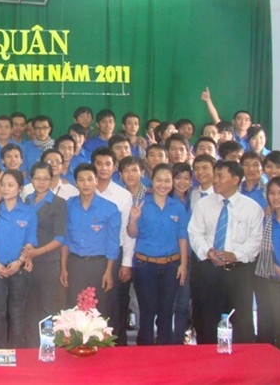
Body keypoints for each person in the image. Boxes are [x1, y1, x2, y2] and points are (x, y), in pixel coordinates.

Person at [188, 160, 263, 344]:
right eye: (215, 175)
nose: (215, 180)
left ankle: (241, 359)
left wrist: (236, 255)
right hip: (209, 270)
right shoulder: (203, 204)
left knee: (241, 320)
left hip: (239, 272)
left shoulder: (251, 207)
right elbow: (195, 232)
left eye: (220, 176)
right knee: (207, 319)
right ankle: (207, 357)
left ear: (236, 179)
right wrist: (208, 251)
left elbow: (255, 241)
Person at [128, 164, 189, 345]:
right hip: (145, 265)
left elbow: (182, 236)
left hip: (171, 266)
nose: (163, 185)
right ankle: (144, 353)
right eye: (159, 180)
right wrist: (134, 219)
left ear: (172, 183)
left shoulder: (178, 206)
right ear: (151, 181)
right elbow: (132, 233)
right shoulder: (142, 204)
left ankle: (165, 352)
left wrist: (183, 265)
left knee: (166, 311)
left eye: (167, 181)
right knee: (147, 312)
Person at [60, 163, 120, 318]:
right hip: (75, 264)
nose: (85, 184)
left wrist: (108, 271)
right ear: (76, 183)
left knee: (99, 310)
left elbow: (113, 243)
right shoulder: (68, 205)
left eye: (89, 179)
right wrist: (63, 268)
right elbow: (65, 239)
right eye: (81, 180)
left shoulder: (110, 208)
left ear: (96, 181)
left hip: (99, 265)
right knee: (73, 309)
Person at [0, 169, 37, 348]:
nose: (5, 189)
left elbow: (30, 241)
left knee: (17, 313)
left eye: (10, 185)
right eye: (3, 185)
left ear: (20, 188)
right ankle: (0, 349)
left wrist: (19, 261)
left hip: (19, 270)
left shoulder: (28, 211)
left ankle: (17, 350)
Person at [92, 147, 134, 345]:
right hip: (89, 257)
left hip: (114, 256)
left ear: (114, 167)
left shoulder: (123, 195)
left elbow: (127, 232)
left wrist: (126, 262)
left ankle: (116, 348)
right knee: (90, 304)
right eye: (99, 163)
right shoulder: (83, 189)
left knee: (114, 306)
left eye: (107, 164)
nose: (103, 168)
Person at [24, 162, 66, 347]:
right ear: (31, 179)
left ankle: (48, 347)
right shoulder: (26, 200)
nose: (41, 182)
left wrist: (35, 253)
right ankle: (31, 347)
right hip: (27, 263)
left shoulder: (58, 203)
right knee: (29, 307)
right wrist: (27, 256)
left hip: (48, 262)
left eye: (46, 179)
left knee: (47, 307)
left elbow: (60, 238)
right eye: (37, 178)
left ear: (52, 180)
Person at [254, 152, 280, 347]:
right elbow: (260, 250)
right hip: (270, 279)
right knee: (268, 326)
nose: (276, 197)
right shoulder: (266, 220)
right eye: (272, 193)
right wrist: (277, 270)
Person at [170, 162, 193, 344]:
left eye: (186, 178)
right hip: (170, 258)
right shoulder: (166, 200)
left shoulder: (194, 199)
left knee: (184, 303)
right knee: (168, 302)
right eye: (178, 178)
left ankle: (179, 338)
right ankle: (166, 338)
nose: (182, 182)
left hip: (190, 257)